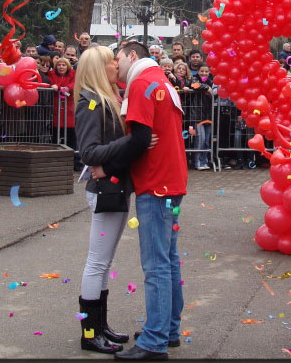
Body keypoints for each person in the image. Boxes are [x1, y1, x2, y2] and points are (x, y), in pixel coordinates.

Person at [73, 46, 155, 354]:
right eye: (110, 62)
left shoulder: (106, 98)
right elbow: (89, 152)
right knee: (97, 262)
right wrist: (131, 143)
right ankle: (90, 332)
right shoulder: (91, 101)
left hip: (115, 188)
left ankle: (99, 327)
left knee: (103, 263)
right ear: (99, 68)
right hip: (106, 191)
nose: (116, 66)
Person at [113, 41, 188, 360]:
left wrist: (112, 158)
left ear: (132, 55)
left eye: (117, 58)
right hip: (172, 181)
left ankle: (155, 341)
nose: (115, 66)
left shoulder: (141, 81)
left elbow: (141, 138)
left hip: (156, 182)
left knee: (156, 263)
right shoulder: (161, 79)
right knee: (168, 259)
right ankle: (167, 329)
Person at [49, 57, 78, 168]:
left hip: (69, 111)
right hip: (56, 110)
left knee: (71, 138)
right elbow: (51, 83)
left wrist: (61, 87)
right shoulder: (52, 74)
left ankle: (73, 162)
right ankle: (56, 162)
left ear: (68, 66)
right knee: (56, 137)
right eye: (59, 65)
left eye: (64, 65)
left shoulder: (73, 74)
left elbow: (72, 86)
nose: (61, 67)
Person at [189, 64, 214, 171]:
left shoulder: (211, 82)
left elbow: (215, 92)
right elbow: (194, 85)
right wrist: (206, 88)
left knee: (207, 140)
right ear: (198, 72)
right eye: (202, 71)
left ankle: (204, 161)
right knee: (200, 139)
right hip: (197, 115)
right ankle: (198, 162)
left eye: (206, 72)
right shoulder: (194, 79)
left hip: (208, 115)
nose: (204, 73)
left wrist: (209, 88)